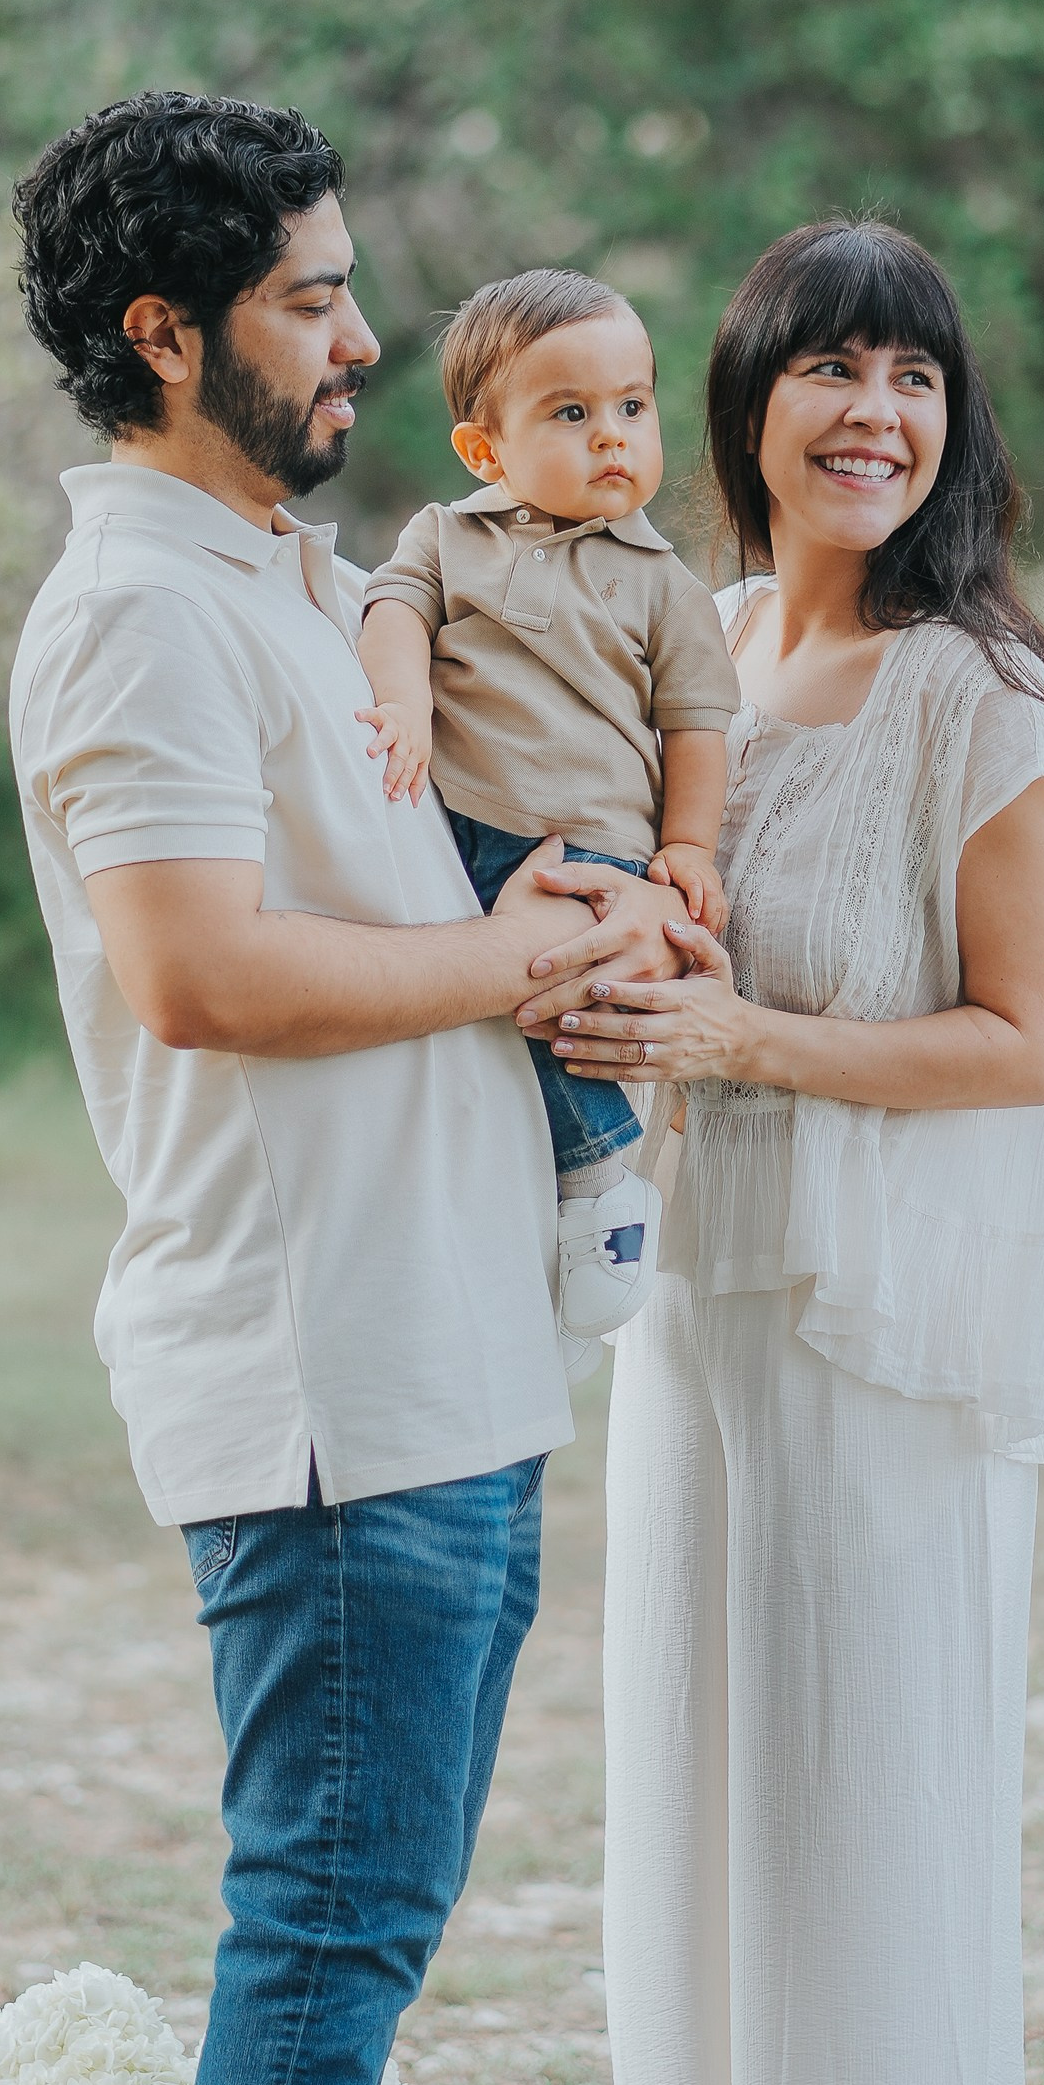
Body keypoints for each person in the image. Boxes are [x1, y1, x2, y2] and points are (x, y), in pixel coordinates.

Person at [6, 93, 669, 2085]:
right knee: (324, 1930)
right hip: (313, 1377)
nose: (367, 334)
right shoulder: (140, 614)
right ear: (167, 332)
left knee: (354, 1930)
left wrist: (555, 928)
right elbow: (202, 973)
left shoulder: (277, 578)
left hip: (438, 1350)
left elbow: (377, 915)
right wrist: (511, 974)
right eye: (311, 295)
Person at [548, 218, 1044, 2085]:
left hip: (879, 1361)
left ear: (950, 423)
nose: (874, 412)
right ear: (748, 405)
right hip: (701, 1343)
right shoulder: (701, 658)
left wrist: (748, 1038)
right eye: (828, 370)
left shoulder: (985, 707)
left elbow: (1023, 1044)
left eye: (914, 376)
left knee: (862, 1854)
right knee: (704, 1849)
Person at [357, 267, 742, 1364]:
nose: (611, 435)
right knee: (455, 1019)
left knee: (557, 1023)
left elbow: (697, 725)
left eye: (631, 406)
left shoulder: (661, 579)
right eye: (570, 415)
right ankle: (511, 1217)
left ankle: (598, 1188)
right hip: (451, 825)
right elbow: (393, 611)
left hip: (590, 847)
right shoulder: (447, 536)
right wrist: (403, 701)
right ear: (485, 451)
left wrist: (686, 846)